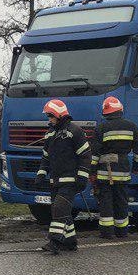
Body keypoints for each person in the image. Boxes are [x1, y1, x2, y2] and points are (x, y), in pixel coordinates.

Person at [34, 99, 90, 254]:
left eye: (50, 116)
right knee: (62, 210)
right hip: (55, 181)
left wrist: (82, 177)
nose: (49, 119)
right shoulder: (50, 134)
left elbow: (85, 156)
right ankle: (70, 242)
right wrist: (41, 174)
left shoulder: (75, 131)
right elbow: (46, 157)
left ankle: (55, 242)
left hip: (70, 181)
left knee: (59, 208)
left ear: (59, 115)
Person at [91, 95, 138, 239]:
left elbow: (94, 154)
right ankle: (122, 231)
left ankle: (107, 232)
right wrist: (137, 167)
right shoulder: (132, 126)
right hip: (123, 170)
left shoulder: (101, 128)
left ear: (105, 112)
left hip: (104, 171)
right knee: (122, 201)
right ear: (120, 110)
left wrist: (92, 172)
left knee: (106, 202)